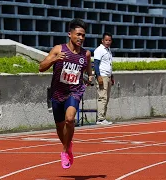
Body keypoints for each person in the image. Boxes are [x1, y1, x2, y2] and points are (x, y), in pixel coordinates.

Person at [39, 18, 93, 169]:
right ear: (70, 34)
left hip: (74, 91)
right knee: (59, 126)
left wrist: (90, 77)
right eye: (78, 34)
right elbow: (41, 67)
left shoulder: (86, 54)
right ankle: (68, 145)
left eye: (83, 35)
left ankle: (64, 152)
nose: (81, 38)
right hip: (57, 92)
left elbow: (88, 71)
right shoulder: (59, 49)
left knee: (70, 119)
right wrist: (55, 59)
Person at [93, 32, 114, 125]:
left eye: (109, 40)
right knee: (102, 97)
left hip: (108, 76)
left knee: (107, 98)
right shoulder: (99, 50)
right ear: (102, 40)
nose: (108, 42)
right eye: (106, 40)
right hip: (102, 76)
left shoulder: (108, 50)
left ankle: (103, 117)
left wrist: (112, 76)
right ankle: (100, 118)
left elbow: (109, 64)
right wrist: (98, 76)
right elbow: (96, 64)